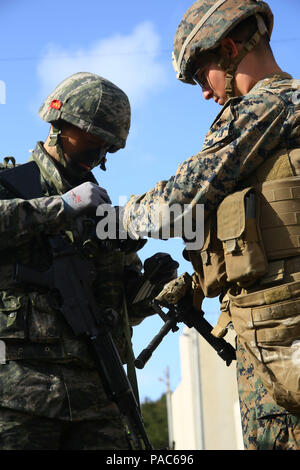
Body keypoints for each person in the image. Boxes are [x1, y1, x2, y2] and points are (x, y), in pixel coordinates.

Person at [121, 0, 300, 450]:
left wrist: (114, 216)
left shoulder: (267, 109)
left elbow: (180, 201)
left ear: (229, 48)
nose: (204, 93)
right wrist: (200, 282)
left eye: (203, 77)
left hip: (283, 343)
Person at [0, 72, 177, 450]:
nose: (99, 155)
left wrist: (153, 287)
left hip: (98, 402)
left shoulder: (103, 213)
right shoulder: (12, 184)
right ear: (61, 125)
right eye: (94, 141)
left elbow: (120, 306)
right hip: (19, 401)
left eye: (108, 149)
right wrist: (61, 207)